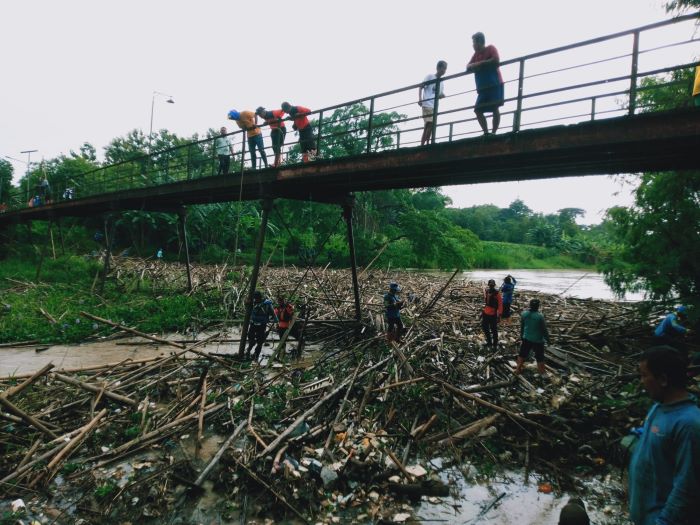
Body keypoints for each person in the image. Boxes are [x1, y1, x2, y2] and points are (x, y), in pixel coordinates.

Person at [628, 346, 700, 525]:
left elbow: (687, 487)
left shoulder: (689, 424)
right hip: (644, 515)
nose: (642, 381)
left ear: (663, 379)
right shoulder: (658, 407)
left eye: (645, 375)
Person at [466, 32, 504, 135]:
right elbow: (467, 67)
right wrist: (474, 65)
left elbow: (496, 60)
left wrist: (481, 63)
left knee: (495, 107)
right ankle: (486, 133)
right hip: (483, 88)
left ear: (479, 42)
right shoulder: (476, 55)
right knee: (478, 110)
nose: (473, 45)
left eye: (474, 42)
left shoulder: (491, 48)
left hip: (494, 83)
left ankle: (494, 132)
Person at [515, 298, 549, 376]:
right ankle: (542, 373)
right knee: (540, 356)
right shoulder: (540, 316)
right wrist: (548, 339)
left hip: (526, 338)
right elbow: (544, 330)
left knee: (522, 354)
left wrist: (521, 336)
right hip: (537, 340)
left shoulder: (524, 314)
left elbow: (522, 327)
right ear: (538, 306)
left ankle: (518, 369)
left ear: (530, 305)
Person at [418, 60, 447, 146]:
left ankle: (424, 143)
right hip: (427, 104)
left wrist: (442, 96)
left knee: (429, 125)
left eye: (445, 69)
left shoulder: (441, 82)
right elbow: (421, 86)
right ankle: (425, 143)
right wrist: (420, 99)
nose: (444, 71)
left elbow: (439, 95)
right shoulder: (430, 76)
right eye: (443, 68)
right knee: (430, 124)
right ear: (438, 68)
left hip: (434, 106)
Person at [246, 290, 277, 360]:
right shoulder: (253, 303)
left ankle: (255, 354)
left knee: (259, 341)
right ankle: (249, 351)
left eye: (256, 298)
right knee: (252, 339)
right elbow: (274, 315)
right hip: (254, 324)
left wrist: (275, 320)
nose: (256, 299)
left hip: (261, 325)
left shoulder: (266, 304)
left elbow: (273, 314)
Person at [481, 279, 503, 349]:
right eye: (490, 284)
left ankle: (495, 344)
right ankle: (490, 342)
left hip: (493, 314)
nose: (491, 285)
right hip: (486, 312)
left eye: (492, 284)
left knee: (493, 329)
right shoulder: (487, 291)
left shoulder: (497, 293)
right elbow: (487, 303)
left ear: (494, 285)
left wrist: (499, 315)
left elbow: (500, 305)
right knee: (485, 328)